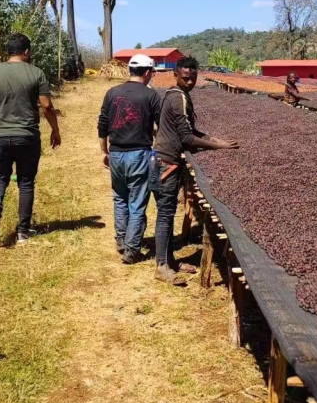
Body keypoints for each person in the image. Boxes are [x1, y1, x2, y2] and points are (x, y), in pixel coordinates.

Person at [152, 57, 238, 285]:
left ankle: (170, 260)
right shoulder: (178, 98)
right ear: (176, 75)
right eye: (185, 78)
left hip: (166, 160)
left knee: (168, 213)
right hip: (166, 162)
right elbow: (187, 137)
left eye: (193, 78)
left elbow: (191, 130)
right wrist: (218, 146)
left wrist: (212, 138)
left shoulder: (175, 94)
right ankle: (161, 266)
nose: (190, 81)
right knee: (165, 215)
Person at [0, 33, 61, 246]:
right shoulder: (36, 73)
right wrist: (55, 130)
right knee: (25, 182)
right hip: (27, 136)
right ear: (26, 52)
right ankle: (23, 232)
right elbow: (47, 106)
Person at [98, 54, 162, 265]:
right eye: (152, 72)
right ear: (147, 73)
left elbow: (103, 124)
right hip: (139, 154)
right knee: (136, 202)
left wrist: (104, 151)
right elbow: (161, 126)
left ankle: (121, 240)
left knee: (120, 197)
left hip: (115, 153)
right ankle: (132, 250)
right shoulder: (151, 96)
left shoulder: (112, 93)